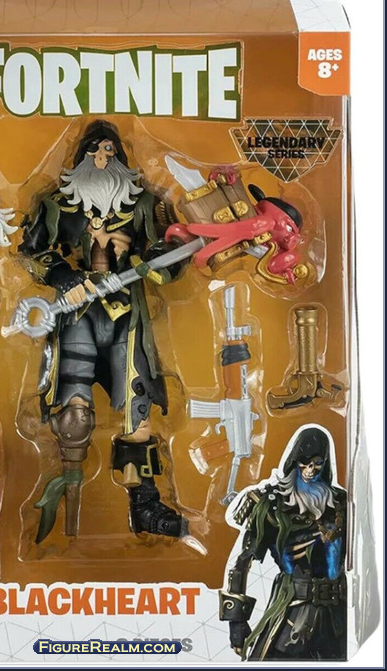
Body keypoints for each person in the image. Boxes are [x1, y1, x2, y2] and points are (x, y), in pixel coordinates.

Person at [19, 119, 188, 543]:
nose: (100, 159)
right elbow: (32, 249)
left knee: (137, 409)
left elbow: (172, 249)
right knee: (73, 417)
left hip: (126, 318)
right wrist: (64, 277)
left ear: (120, 156)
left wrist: (141, 258)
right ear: (81, 157)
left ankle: (144, 505)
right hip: (77, 316)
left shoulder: (145, 204)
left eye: (109, 151)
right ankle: (66, 504)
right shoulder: (58, 205)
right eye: (94, 151)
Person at [220, 426, 347, 660]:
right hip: (292, 612)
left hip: (337, 619)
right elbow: (242, 560)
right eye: (305, 462)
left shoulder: (341, 503)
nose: (310, 469)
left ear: (325, 463)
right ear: (295, 460)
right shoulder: (271, 503)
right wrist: (236, 621)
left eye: (317, 463)